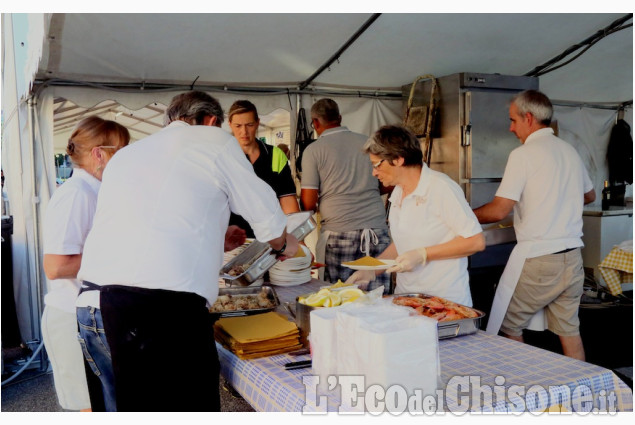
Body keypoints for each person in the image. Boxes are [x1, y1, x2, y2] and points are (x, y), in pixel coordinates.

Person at [75, 91, 298, 412]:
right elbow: (269, 222)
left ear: (170, 120)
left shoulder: (128, 155)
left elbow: (150, 223)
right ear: (211, 121)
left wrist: (215, 236)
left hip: (107, 303)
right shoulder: (215, 141)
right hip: (166, 305)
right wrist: (286, 245)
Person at [473, 90, 595, 360]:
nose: (510, 127)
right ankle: (583, 394)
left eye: (513, 120)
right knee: (569, 330)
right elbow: (589, 195)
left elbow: (498, 211)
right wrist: (559, 201)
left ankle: (525, 389)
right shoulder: (569, 151)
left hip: (539, 259)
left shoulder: (523, 154)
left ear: (528, 118)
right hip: (572, 256)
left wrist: (463, 215)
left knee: (509, 325)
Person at [42, 116, 129, 412]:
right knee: (91, 408)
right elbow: (55, 266)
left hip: (90, 316)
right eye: (121, 150)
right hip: (71, 318)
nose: (126, 158)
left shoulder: (94, 190)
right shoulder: (77, 194)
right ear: (99, 154)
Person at [346, 125, 485, 305]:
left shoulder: (440, 187)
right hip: (406, 297)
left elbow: (475, 241)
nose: (374, 172)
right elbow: (403, 243)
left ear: (397, 160)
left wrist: (422, 254)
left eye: (376, 164)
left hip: (444, 302)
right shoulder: (397, 192)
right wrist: (372, 270)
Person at [300, 98, 391, 290]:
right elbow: (387, 183)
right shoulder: (368, 143)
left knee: (341, 298)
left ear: (315, 122)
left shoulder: (313, 150)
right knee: (378, 299)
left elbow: (308, 202)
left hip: (339, 234)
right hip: (377, 232)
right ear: (339, 118)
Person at [227, 100, 299, 238]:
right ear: (230, 124)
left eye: (249, 125)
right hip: (233, 239)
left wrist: (297, 238)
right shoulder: (223, 157)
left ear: (258, 123)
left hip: (271, 237)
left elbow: (288, 201)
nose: (244, 132)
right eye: (238, 126)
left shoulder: (275, 155)